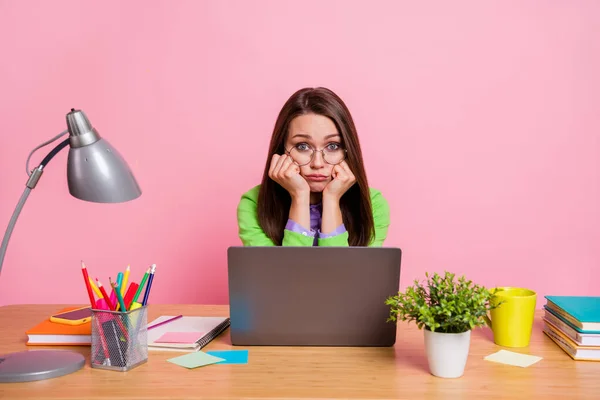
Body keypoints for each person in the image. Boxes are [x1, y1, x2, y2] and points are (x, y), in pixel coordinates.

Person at [236, 87, 390, 247]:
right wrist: (299, 196)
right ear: (282, 150)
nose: (317, 163)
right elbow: (286, 272)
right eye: (302, 146)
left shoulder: (373, 205)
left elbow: (341, 271)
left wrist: (332, 200)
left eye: (333, 146)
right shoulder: (253, 204)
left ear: (348, 151)